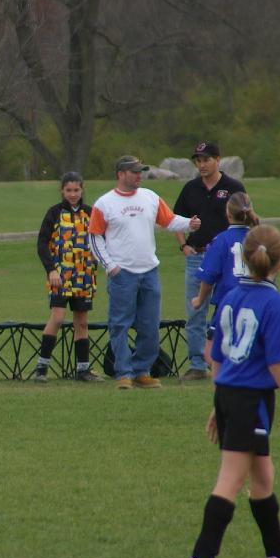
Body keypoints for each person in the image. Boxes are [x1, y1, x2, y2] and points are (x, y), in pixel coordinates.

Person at [184, 224, 280, 558]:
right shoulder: (274, 303)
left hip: (230, 395)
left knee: (263, 476)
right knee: (231, 479)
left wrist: (218, 403)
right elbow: (277, 363)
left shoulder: (230, 295)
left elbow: (217, 356)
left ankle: (278, 557)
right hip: (250, 400)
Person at [88, 155, 200, 390]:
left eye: (141, 171)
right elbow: (95, 237)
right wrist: (110, 266)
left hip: (149, 271)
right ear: (121, 174)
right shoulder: (104, 203)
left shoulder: (150, 197)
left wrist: (188, 224)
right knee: (120, 324)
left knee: (150, 325)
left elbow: (169, 221)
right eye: (134, 172)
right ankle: (123, 373)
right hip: (122, 274)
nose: (140, 175)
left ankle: (142, 371)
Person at [173, 141, 246, 382]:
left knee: (228, 308)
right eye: (198, 161)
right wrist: (183, 245)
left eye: (206, 160)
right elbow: (177, 219)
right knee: (195, 311)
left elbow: (246, 218)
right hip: (197, 255)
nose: (202, 165)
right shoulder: (190, 188)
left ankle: (230, 360)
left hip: (226, 259)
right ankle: (197, 365)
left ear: (218, 160)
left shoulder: (233, 187)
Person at [31, 171, 101, 383]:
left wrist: (97, 260)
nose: (73, 194)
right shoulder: (54, 213)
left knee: (81, 322)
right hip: (61, 275)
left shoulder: (90, 213)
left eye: (76, 190)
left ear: (82, 190)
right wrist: (51, 270)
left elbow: (99, 240)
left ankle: (83, 370)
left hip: (84, 275)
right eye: (68, 190)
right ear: (62, 191)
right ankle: (42, 367)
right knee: (58, 317)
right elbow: (42, 244)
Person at [190, 192, 260, 366]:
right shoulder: (258, 239)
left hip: (228, 302)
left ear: (228, 214)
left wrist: (199, 299)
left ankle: (231, 376)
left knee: (211, 354)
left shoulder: (221, 240)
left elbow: (208, 277)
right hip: (257, 301)